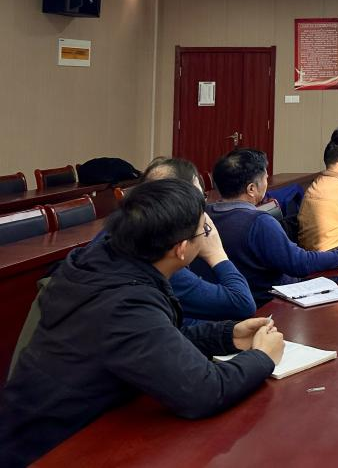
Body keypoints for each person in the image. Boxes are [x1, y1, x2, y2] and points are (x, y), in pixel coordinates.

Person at [0, 179, 284, 467]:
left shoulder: (110, 261)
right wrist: (262, 357)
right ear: (182, 248)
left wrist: (227, 335)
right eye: (205, 231)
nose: (208, 237)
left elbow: (153, 342)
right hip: (49, 450)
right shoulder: (123, 301)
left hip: (71, 429)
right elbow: (203, 392)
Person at [201, 148, 338, 304]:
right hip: (271, 304)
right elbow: (300, 263)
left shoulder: (203, 217)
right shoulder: (258, 222)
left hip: (228, 306)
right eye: (265, 178)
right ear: (251, 189)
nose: (267, 183)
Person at [94, 157, 255, 322]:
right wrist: (216, 253)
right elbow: (241, 304)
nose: (202, 209)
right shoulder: (160, 254)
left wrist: (226, 333)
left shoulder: (117, 231)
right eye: (196, 200)